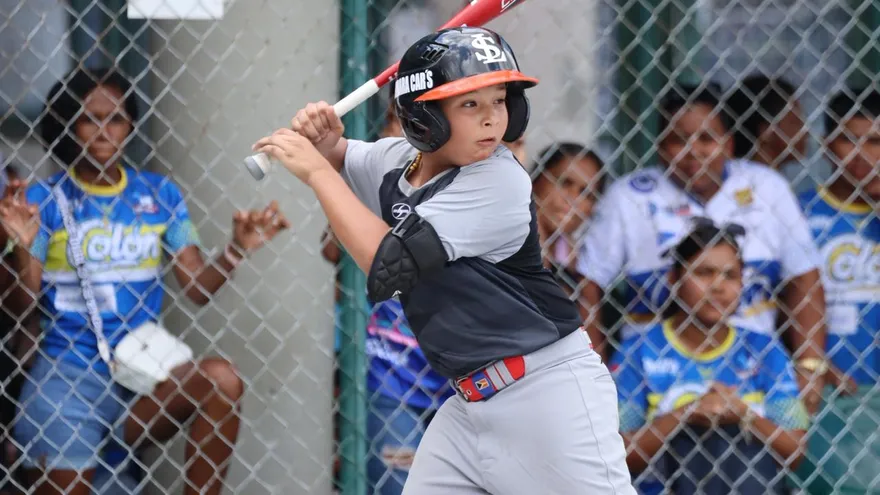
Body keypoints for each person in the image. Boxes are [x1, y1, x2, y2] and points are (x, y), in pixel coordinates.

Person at [253, 26, 634, 494]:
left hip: (546, 395)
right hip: (468, 404)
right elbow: (344, 158)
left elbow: (387, 264)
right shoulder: (397, 160)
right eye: (470, 104)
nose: (492, 120)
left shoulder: (499, 182)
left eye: (499, 100)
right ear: (423, 117)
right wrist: (326, 142)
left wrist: (314, 171)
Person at [4, 66, 289, 495]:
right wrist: (20, 248)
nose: (104, 131)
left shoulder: (160, 195)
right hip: (67, 380)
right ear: (68, 125)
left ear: (131, 124)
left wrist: (235, 250)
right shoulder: (42, 200)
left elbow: (195, 287)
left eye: (115, 118)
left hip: (139, 376)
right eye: (89, 119)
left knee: (222, 380)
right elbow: (20, 304)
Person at [578, 83, 828, 413]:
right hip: (652, 374)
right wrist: (591, 370)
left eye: (707, 139)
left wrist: (810, 365)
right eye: (678, 140)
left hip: (754, 370)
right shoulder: (629, 197)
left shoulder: (766, 187)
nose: (693, 151)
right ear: (660, 147)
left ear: (728, 142)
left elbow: (805, 279)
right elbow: (586, 285)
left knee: (767, 454)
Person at [612, 220, 808, 494]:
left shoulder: (764, 349)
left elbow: (795, 451)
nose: (718, 286)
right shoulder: (639, 352)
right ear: (674, 279)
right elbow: (618, 453)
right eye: (704, 273)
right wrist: (686, 413)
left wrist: (742, 414)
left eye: (730, 276)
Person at [799, 88, 880, 390]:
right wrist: (816, 364)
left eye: (874, 142)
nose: (862, 154)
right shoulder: (799, 212)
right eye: (849, 140)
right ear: (826, 145)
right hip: (827, 384)